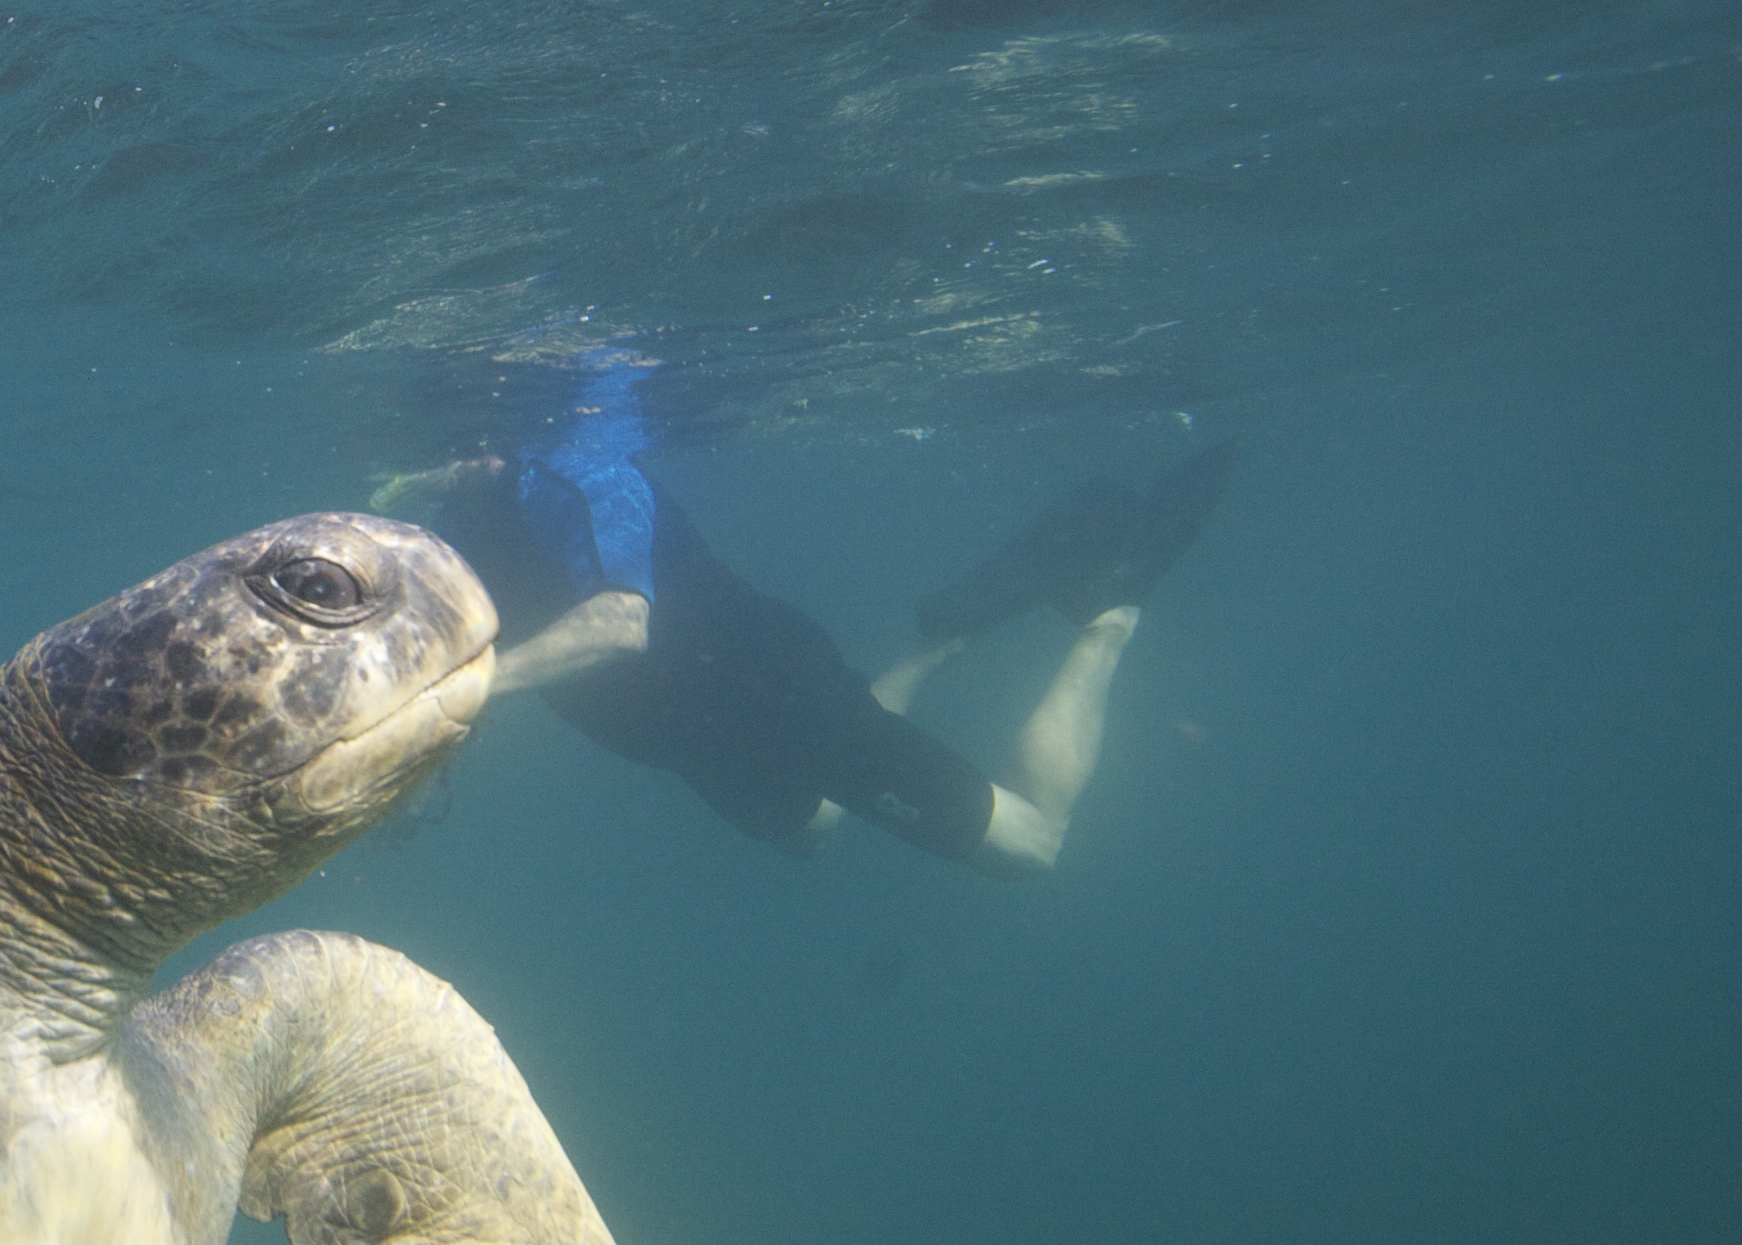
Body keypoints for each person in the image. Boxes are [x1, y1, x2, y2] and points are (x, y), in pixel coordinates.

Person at [378, 354, 1230, 879]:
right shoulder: (459, 530)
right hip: (697, 740)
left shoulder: (577, 478)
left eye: (444, 442)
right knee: (815, 832)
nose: (426, 466)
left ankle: (1111, 614)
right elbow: (466, 665)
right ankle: (945, 636)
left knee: (1032, 846)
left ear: (485, 429)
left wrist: (458, 695)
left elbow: (618, 624)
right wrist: (412, 768)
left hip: (778, 697)